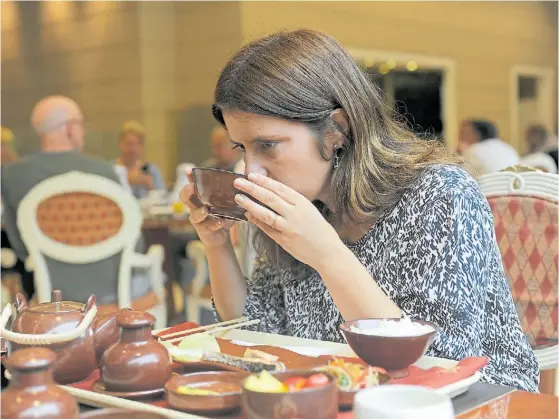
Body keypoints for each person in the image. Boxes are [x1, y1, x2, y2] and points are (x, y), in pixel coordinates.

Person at [179, 30, 539, 392]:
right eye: (242, 147)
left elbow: (439, 363)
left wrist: (326, 254)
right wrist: (216, 245)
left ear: (336, 128)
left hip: (479, 402)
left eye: (268, 145)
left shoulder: (441, 194)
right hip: (349, 399)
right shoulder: (302, 207)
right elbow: (258, 335)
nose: (250, 171)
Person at [1, 96, 151, 304]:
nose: (83, 131)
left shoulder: (12, 175)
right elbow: (135, 243)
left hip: (52, 293)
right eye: (81, 124)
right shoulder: (104, 171)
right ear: (70, 129)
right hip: (115, 292)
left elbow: (19, 244)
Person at [115, 120, 165, 199]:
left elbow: (163, 199)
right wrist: (127, 180)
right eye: (129, 144)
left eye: (138, 144)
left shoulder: (150, 169)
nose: (133, 149)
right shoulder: (110, 169)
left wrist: (150, 186)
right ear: (120, 144)